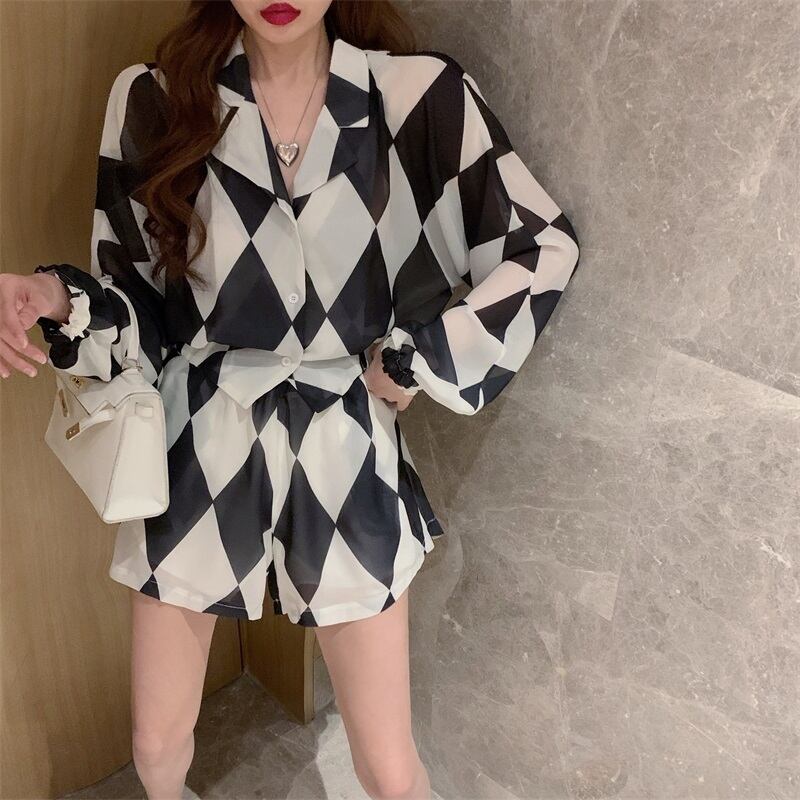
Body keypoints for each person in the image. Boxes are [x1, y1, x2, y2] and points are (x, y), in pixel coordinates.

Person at [0, 0, 581, 797]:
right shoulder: (159, 99)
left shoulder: (415, 97)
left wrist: (421, 360)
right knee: (157, 746)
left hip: (344, 443)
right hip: (202, 440)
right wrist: (55, 299)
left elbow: (540, 247)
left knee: (388, 769)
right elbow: (136, 303)